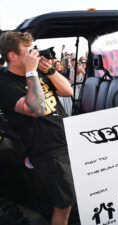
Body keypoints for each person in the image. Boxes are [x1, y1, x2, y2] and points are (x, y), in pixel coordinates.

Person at [0, 31, 75, 225]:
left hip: (68, 139)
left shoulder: (39, 72)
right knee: (63, 205)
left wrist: (49, 70)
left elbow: (68, 91)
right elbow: (37, 109)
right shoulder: (4, 83)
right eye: (28, 50)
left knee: (73, 198)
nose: (33, 54)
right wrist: (31, 72)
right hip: (47, 151)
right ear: (12, 56)